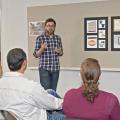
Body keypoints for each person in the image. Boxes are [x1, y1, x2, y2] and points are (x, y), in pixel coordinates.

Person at [0, 48, 64, 120]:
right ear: (24, 63)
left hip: (19, 114)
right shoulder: (31, 87)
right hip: (39, 117)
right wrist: (67, 102)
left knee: (50, 92)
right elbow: (53, 104)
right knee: (68, 116)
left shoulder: (1, 82)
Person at [33, 18, 63, 91]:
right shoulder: (40, 38)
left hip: (55, 69)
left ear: (54, 27)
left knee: (53, 91)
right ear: (45, 27)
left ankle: (52, 103)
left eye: (52, 26)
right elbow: (36, 54)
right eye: (48, 25)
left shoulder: (58, 38)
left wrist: (59, 51)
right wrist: (42, 48)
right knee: (46, 91)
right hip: (44, 69)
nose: (50, 27)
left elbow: (61, 53)